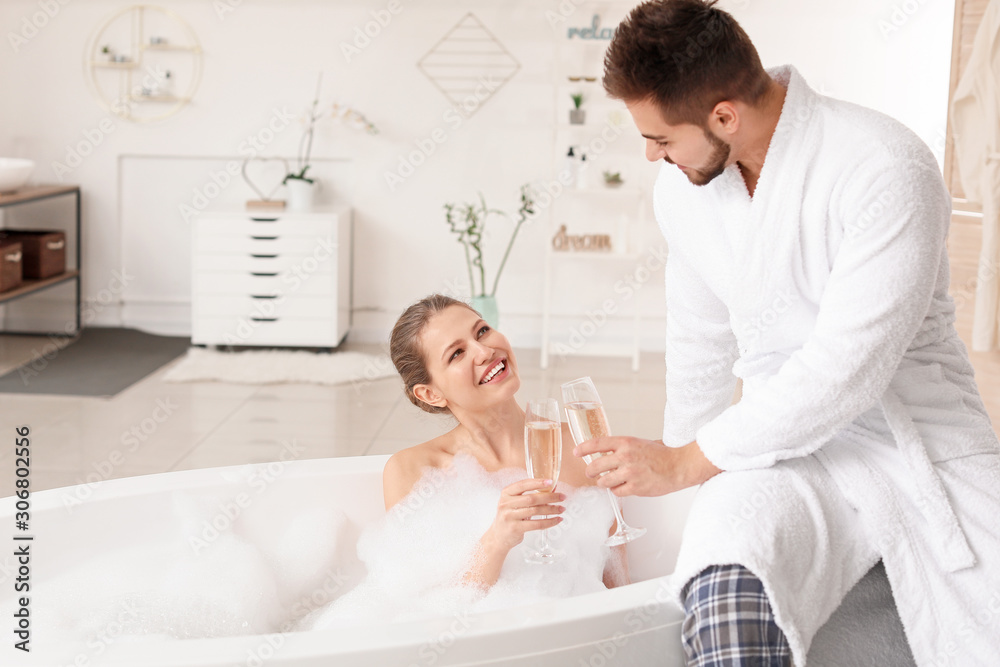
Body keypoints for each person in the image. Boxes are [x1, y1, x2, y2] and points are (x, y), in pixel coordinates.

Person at [571, 1, 1000, 665]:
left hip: (915, 442)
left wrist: (687, 459)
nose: (650, 154)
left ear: (724, 116)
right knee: (724, 584)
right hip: (772, 450)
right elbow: (699, 344)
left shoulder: (885, 168)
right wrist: (684, 478)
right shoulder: (685, 190)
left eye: (660, 137)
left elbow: (847, 369)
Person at [304, 296, 628, 630]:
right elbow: (424, 610)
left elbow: (618, 588)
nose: (484, 351)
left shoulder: (580, 446)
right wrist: (497, 539)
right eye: (457, 353)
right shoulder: (413, 472)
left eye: (483, 331)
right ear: (431, 394)